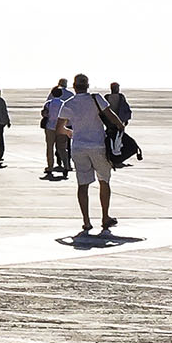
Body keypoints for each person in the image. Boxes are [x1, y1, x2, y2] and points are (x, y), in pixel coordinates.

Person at [55, 73, 124, 233]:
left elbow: (59, 128)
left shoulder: (68, 103)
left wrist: (69, 132)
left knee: (83, 184)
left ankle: (86, 221)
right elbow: (110, 115)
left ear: (74, 86)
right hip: (97, 145)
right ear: (87, 86)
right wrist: (120, 126)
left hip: (79, 147)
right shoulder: (96, 99)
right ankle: (105, 217)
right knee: (104, 181)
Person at [107, 81, 143, 166]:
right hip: (116, 123)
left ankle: (115, 158)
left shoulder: (109, 97)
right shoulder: (118, 97)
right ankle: (116, 159)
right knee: (117, 142)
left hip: (113, 123)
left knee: (115, 141)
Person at [41, 86, 71, 179]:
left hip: (50, 127)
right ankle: (66, 165)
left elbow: (44, 114)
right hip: (61, 127)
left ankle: (50, 167)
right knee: (62, 148)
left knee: (50, 148)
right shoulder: (64, 104)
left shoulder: (48, 104)